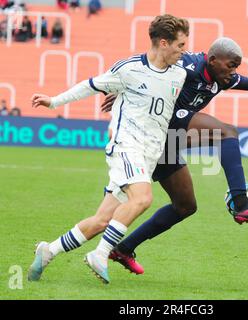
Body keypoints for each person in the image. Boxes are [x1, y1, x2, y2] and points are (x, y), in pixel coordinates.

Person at [101, 39, 248, 275]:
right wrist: (123, 91)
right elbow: (150, 66)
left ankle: (123, 249)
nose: (233, 72)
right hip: (153, 131)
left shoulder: (223, 78)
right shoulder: (187, 65)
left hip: (165, 142)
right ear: (213, 60)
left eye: (236, 67)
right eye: (231, 65)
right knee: (227, 132)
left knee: (185, 206)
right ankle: (241, 203)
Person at [27, 14, 190, 284]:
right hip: (126, 146)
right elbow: (90, 86)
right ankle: (101, 254)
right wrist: (54, 101)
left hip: (148, 155)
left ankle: (48, 251)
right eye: (180, 45)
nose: (183, 50)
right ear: (164, 43)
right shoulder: (128, 69)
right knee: (143, 198)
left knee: (102, 220)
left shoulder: (180, 72)